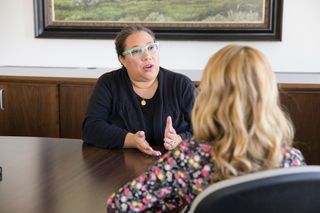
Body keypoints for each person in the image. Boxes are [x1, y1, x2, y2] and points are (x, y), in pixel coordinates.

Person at [106, 44, 306, 212]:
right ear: (269, 94)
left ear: (210, 94)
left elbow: (119, 205)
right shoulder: (292, 162)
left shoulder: (189, 159)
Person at [82, 25, 195, 156]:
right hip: (121, 166)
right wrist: (131, 140)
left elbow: (207, 130)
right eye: (136, 51)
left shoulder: (181, 85)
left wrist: (180, 139)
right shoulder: (109, 83)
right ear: (122, 59)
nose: (147, 56)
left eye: (151, 47)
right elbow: (91, 128)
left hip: (173, 164)